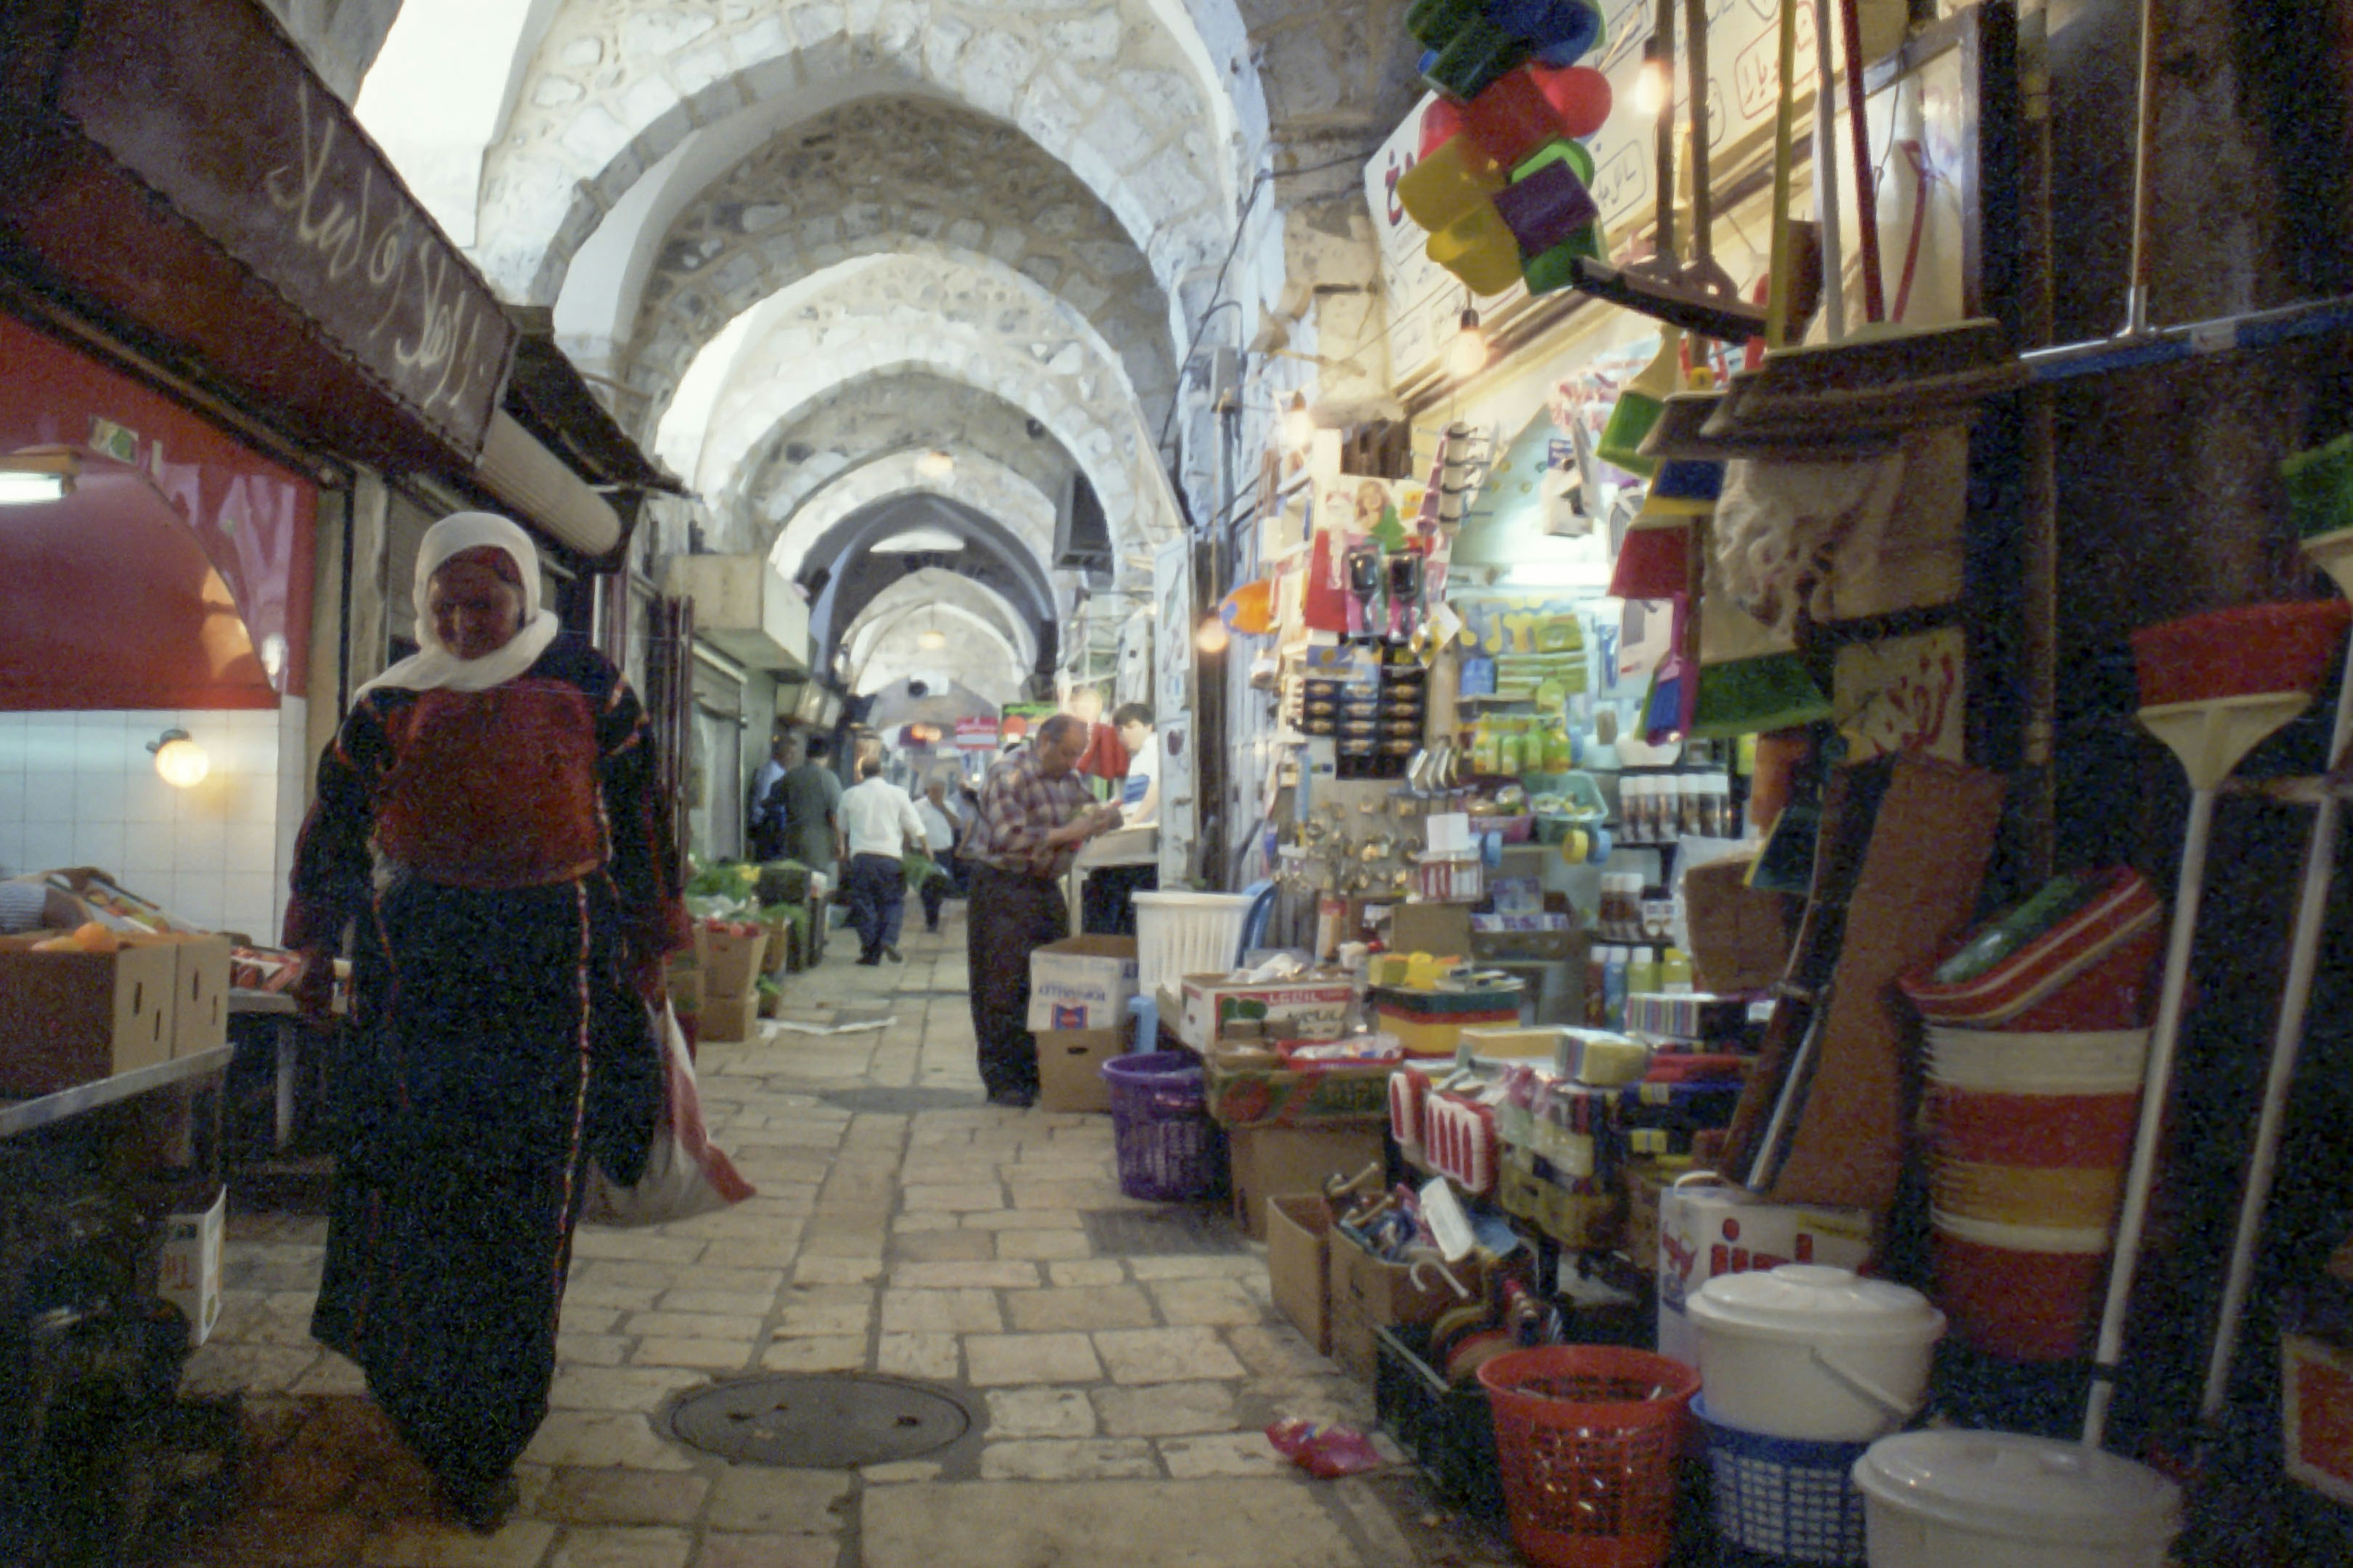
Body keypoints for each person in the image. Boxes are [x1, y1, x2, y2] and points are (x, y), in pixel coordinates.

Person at [284, 513, 684, 1533]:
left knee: (524, 1201)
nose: (466, 621)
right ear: (424, 603)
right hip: (419, 970)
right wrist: (312, 938)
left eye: (486, 601)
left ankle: (489, 1434)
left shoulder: (589, 683)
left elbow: (641, 814)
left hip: (555, 969)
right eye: (447, 604)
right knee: (418, 1187)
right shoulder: (390, 699)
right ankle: (419, 1393)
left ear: (523, 597)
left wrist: (652, 935)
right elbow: (332, 823)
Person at [959, 714, 1124, 1106]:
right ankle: (1004, 1080)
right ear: (1044, 743)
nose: (1073, 762)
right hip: (1003, 888)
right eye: (1067, 753)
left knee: (1047, 980)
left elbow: (1088, 809)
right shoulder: (1009, 774)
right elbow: (1007, 838)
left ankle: (1040, 1070)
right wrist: (1069, 834)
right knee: (1002, 984)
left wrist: (1106, 816)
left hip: (1044, 889)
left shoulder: (1069, 780)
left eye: (1078, 754)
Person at [838, 752, 927, 965]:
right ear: (882, 772)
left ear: (861, 773)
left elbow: (841, 827)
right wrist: (927, 849)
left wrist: (841, 849)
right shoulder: (898, 794)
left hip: (861, 857)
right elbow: (915, 826)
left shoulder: (850, 794)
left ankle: (870, 951)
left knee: (864, 903)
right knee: (892, 901)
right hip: (890, 858)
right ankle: (888, 939)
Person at [773, 734, 842, 884]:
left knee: (792, 884)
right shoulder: (829, 779)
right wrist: (840, 842)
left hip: (792, 840)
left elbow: (773, 801)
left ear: (807, 754)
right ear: (827, 756)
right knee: (816, 886)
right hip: (818, 846)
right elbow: (835, 815)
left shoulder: (791, 776)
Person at [914, 776, 962, 933]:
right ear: (929, 790)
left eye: (940, 791)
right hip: (923, 852)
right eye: (935, 791)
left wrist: (943, 809)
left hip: (943, 852)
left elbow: (956, 825)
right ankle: (931, 919)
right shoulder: (918, 807)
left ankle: (934, 913)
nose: (937, 794)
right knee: (926, 886)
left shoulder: (949, 806)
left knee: (939, 885)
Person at [1113, 702, 1160, 825]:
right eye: (1119, 730)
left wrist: (1133, 821)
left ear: (1148, 727)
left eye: (1131, 727)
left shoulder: (1153, 746)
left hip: (1147, 828)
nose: (1124, 733)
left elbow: (1157, 787)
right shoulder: (1136, 755)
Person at [749, 733, 795, 861]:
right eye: (789, 753)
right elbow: (764, 800)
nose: (792, 758)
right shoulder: (771, 772)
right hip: (766, 825)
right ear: (778, 753)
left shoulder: (781, 771)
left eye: (793, 754)